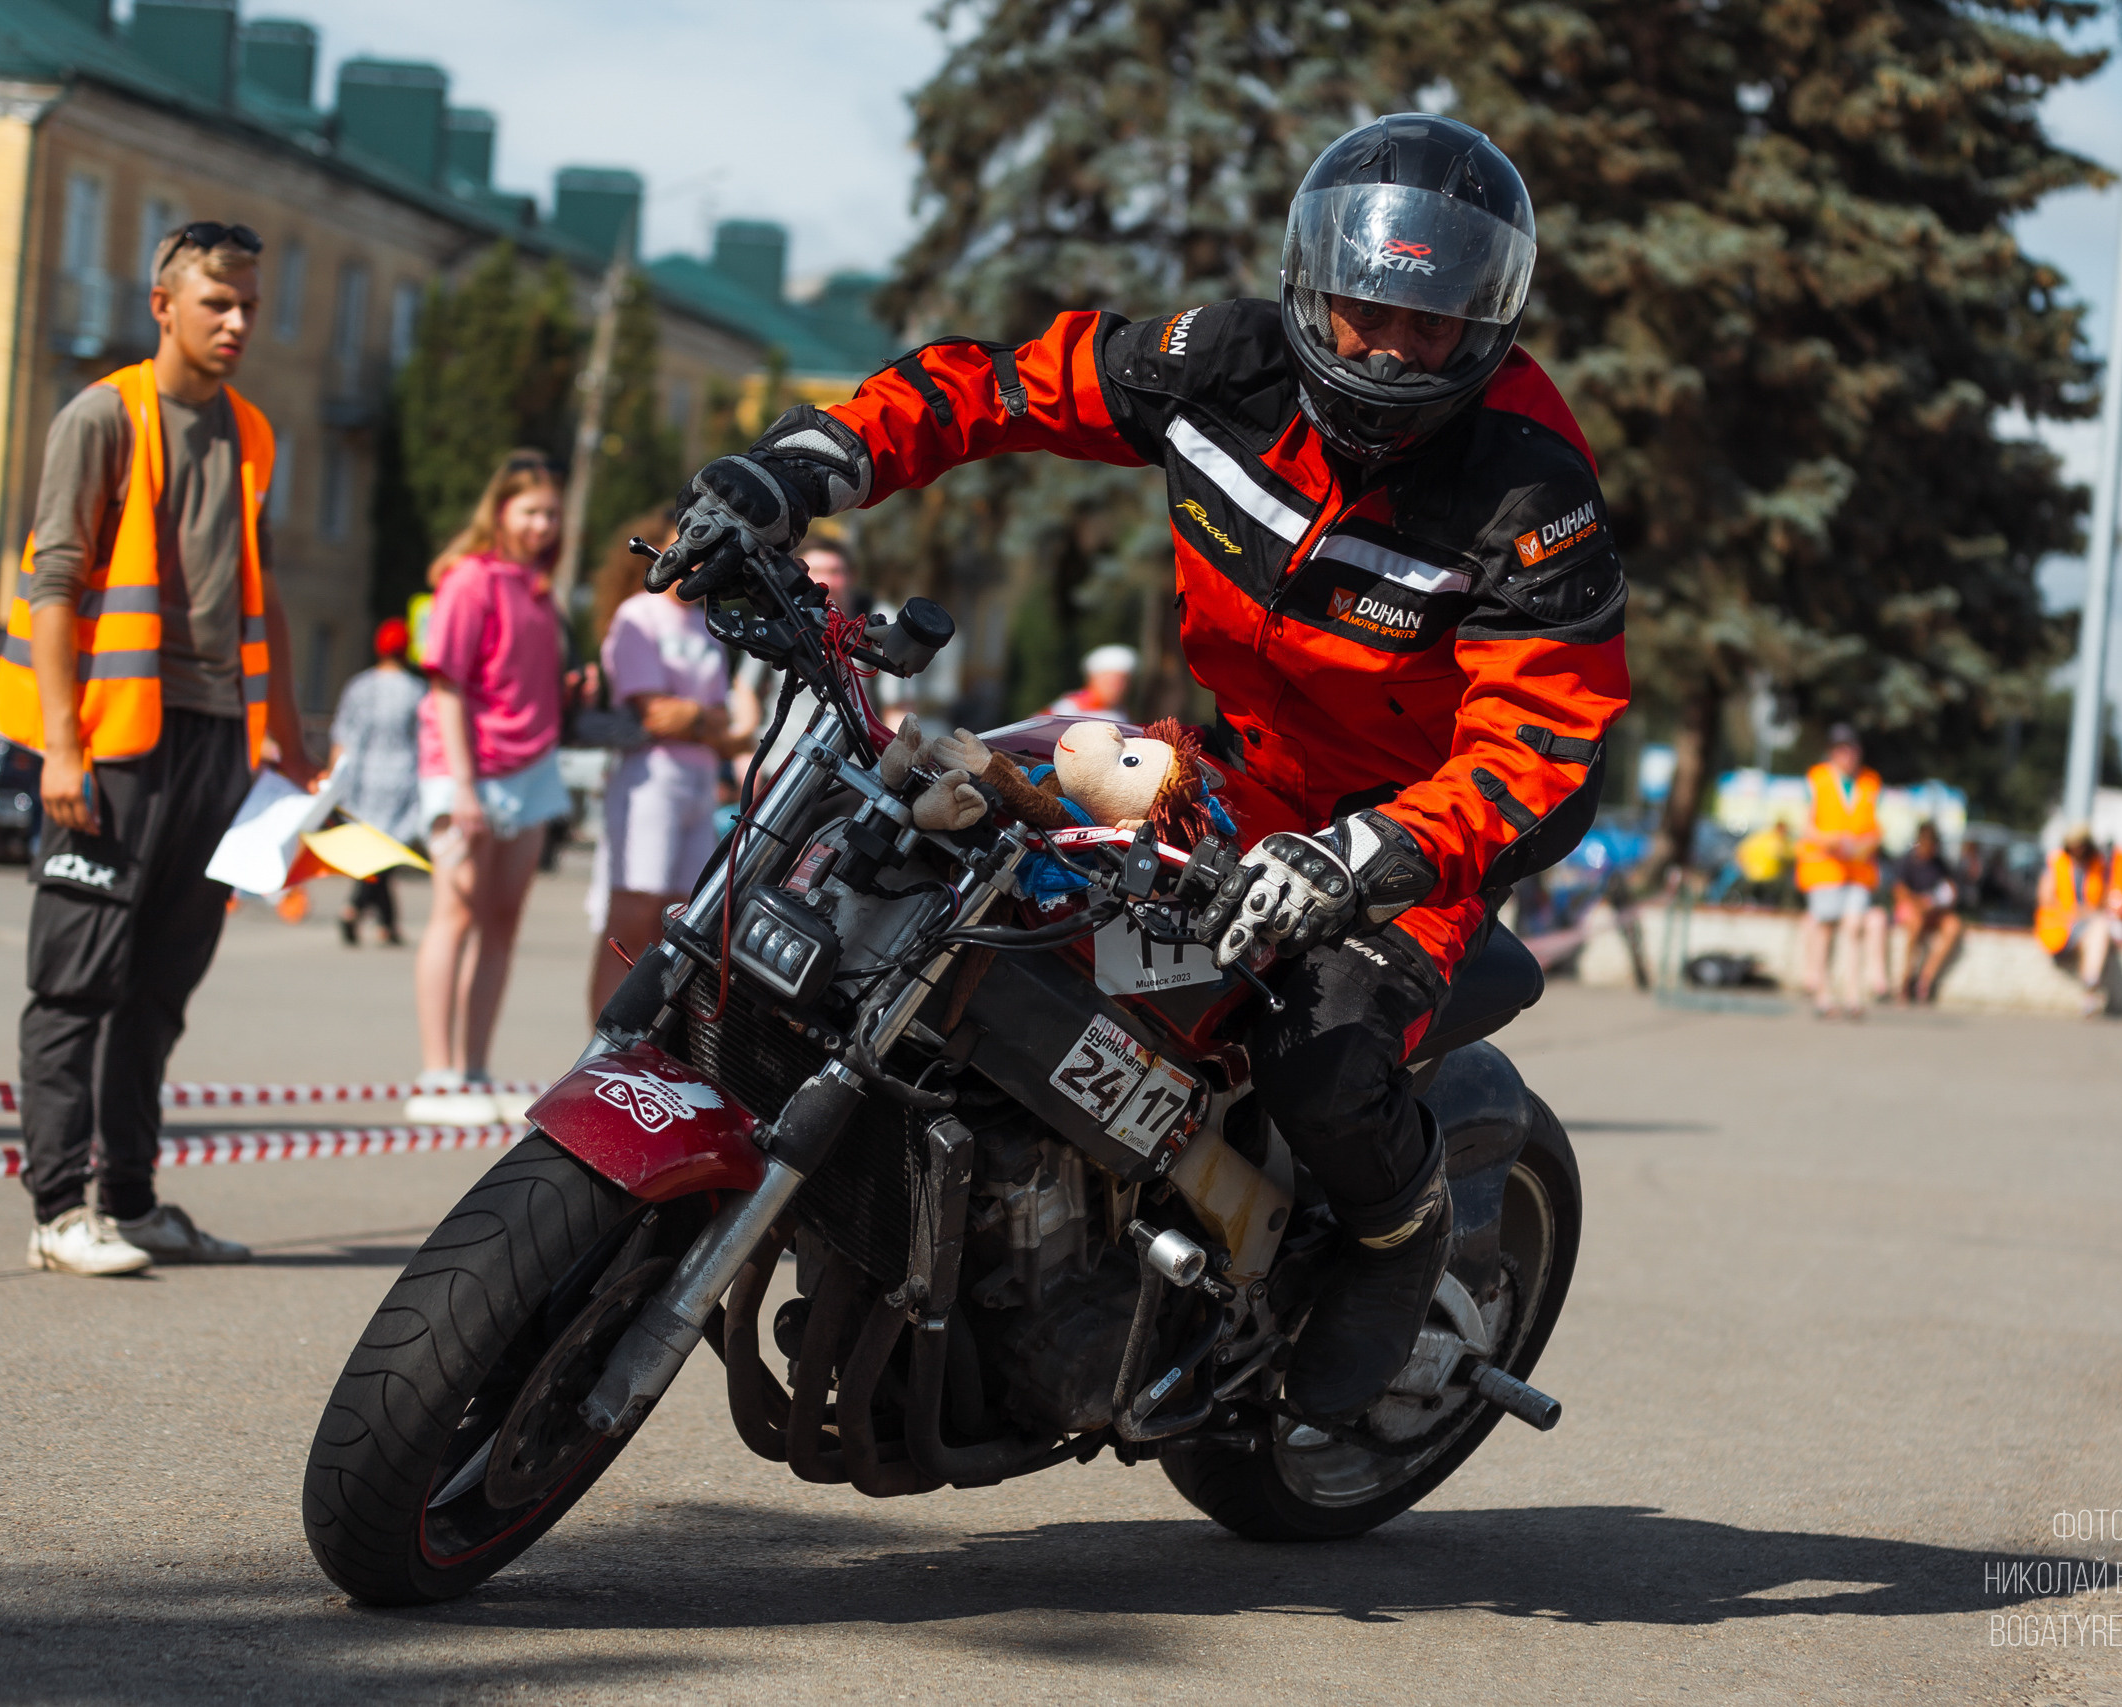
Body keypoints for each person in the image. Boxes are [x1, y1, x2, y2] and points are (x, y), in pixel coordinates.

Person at [643, 114, 1629, 1425]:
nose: (1386, 345)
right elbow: (999, 385)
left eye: (1427, 325)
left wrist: (1367, 856)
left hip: (1405, 835)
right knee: (927, 832)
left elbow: (1544, 735)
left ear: (1485, 327)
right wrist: (808, 463)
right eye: (1359, 311)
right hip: (1222, 767)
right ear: (1312, 286)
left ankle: (1400, 1231)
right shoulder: (1220, 363)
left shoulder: (1528, 488)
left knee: (1322, 1052)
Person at [0, 220, 318, 1274]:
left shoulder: (255, 433)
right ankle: (56, 1213)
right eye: (217, 302)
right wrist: (60, 745)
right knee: (77, 978)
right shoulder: (101, 416)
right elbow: (53, 582)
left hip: (221, 737)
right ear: (161, 305)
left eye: (250, 306)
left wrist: (292, 742)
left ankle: (127, 1202)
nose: (236, 323)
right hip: (116, 735)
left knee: (162, 985)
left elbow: (264, 595)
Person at [405, 453, 572, 1125]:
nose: (542, 524)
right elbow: (446, 684)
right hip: (464, 767)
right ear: (499, 511)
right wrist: (465, 789)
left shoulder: (538, 588)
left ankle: (474, 1069)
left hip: (532, 768)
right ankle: (437, 1070)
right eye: (530, 510)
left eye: (552, 513)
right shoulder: (468, 579)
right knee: (456, 913)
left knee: (502, 920)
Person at [589, 542, 743, 1017]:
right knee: (632, 919)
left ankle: (646, 1047)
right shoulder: (638, 615)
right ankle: (600, 1050)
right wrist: (706, 720)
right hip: (651, 777)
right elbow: (655, 716)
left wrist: (694, 717)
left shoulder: (706, 626)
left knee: (680, 925)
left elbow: (722, 722)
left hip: (697, 781)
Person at [328, 616, 424, 947]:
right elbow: (424, 740)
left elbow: (343, 733)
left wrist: (332, 777)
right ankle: (358, 910)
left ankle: (382, 922)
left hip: (361, 778)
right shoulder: (415, 690)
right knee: (385, 853)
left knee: (376, 851)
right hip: (400, 778)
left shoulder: (359, 686)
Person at [726, 539, 853, 789]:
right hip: (781, 762)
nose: (827, 581)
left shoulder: (869, 627)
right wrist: (745, 750)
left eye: (836, 572)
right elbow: (745, 687)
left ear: (850, 577)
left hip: (849, 776)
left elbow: (895, 707)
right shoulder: (775, 620)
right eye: (818, 571)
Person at [1794, 725, 1888, 1019]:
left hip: (1858, 868)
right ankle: (1823, 994)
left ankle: (1852, 994)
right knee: (1824, 928)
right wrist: (1832, 839)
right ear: (1832, 752)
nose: (1847, 755)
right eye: (1841, 749)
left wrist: (1866, 842)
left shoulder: (1871, 782)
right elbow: (1806, 826)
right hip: (1824, 867)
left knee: (1854, 927)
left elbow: (1876, 826)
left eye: (1851, 749)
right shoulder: (1817, 779)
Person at [2033, 827, 2122, 1016]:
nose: (2078, 849)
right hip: (2060, 925)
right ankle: (2090, 988)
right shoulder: (2057, 862)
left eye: (2081, 845)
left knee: (2099, 930)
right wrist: (2075, 912)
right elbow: (2045, 898)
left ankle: (2090, 987)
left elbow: (2102, 901)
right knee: (2099, 929)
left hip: (2087, 924)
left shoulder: (2098, 866)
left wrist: (2089, 912)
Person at [1890, 823, 1963, 1004]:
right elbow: (1899, 891)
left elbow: (1949, 891)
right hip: (1911, 909)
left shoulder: (1939, 864)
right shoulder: (1907, 861)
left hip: (1933, 911)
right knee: (1916, 923)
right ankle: (1906, 978)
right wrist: (1919, 903)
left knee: (1954, 926)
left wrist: (1937, 903)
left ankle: (1925, 979)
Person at [1047, 643, 1137, 719]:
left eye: (1123, 681)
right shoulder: (1069, 707)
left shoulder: (1122, 711)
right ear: (1091, 679)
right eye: (1110, 681)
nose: (1118, 687)